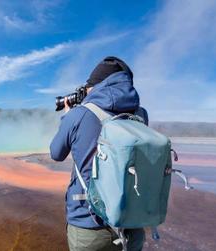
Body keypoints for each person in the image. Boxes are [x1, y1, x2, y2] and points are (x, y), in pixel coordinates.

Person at [50, 56, 147, 251]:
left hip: (89, 225)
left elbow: (56, 153)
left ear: (96, 85)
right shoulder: (140, 114)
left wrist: (69, 116)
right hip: (133, 223)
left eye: (87, 87)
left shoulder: (79, 114)